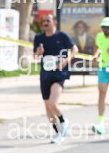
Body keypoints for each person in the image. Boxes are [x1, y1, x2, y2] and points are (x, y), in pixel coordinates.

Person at [33, 14, 78, 144]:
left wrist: (66, 60)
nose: (45, 23)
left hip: (59, 74)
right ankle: (58, 131)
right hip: (45, 75)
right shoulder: (39, 38)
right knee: (48, 108)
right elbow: (35, 56)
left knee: (52, 104)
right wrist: (38, 52)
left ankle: (62, 124)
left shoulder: (62, 36)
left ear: (54, 23)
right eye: (44, 21)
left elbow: (74, 49)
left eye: (48, 20)